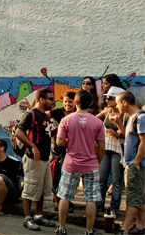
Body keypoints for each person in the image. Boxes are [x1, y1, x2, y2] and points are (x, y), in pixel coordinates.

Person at [55, 90, 105, 235]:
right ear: (90, 103)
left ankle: (62, 228)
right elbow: (102, 147)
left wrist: (69, 140)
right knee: (91, 198)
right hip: (91, 164)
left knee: (65, 195)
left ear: (75, 102)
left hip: (71, 163)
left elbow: (59, 142)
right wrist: (97, 160)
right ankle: (89, 231)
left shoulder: (66, 120)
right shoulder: (97, 122)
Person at [15, 88, 56, 231]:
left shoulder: (44, 116)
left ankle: (39, 215)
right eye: (51, 99)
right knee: (30, 188)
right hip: (33, 159)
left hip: (44, 158)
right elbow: (19, 132)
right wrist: (32, 146)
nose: (53, 102)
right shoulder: (31, 115)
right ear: (41, 100)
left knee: (41, 189)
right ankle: (27, 217)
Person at [115, 91, 145, 235]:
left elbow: (144, 142)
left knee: (133, 197)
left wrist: (136, 162)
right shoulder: (132, 118)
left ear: (125, 102)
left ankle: (124, 229)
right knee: (140, 197)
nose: (117, 106)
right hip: (132, 164)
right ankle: (140, 225)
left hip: (136, 165)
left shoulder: (140, 117)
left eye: (118, 103)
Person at [96, 86, 127, 218]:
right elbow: (95, 120)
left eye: (111, 98)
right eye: (107, 98)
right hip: (106, 147)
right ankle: (99, 206)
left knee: (116, 180)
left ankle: (114, 208)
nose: (108, 100)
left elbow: (127, 133)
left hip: (118, 150)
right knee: (101, 179)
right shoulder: (107, 111)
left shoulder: (125, 114)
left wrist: (118, 130)